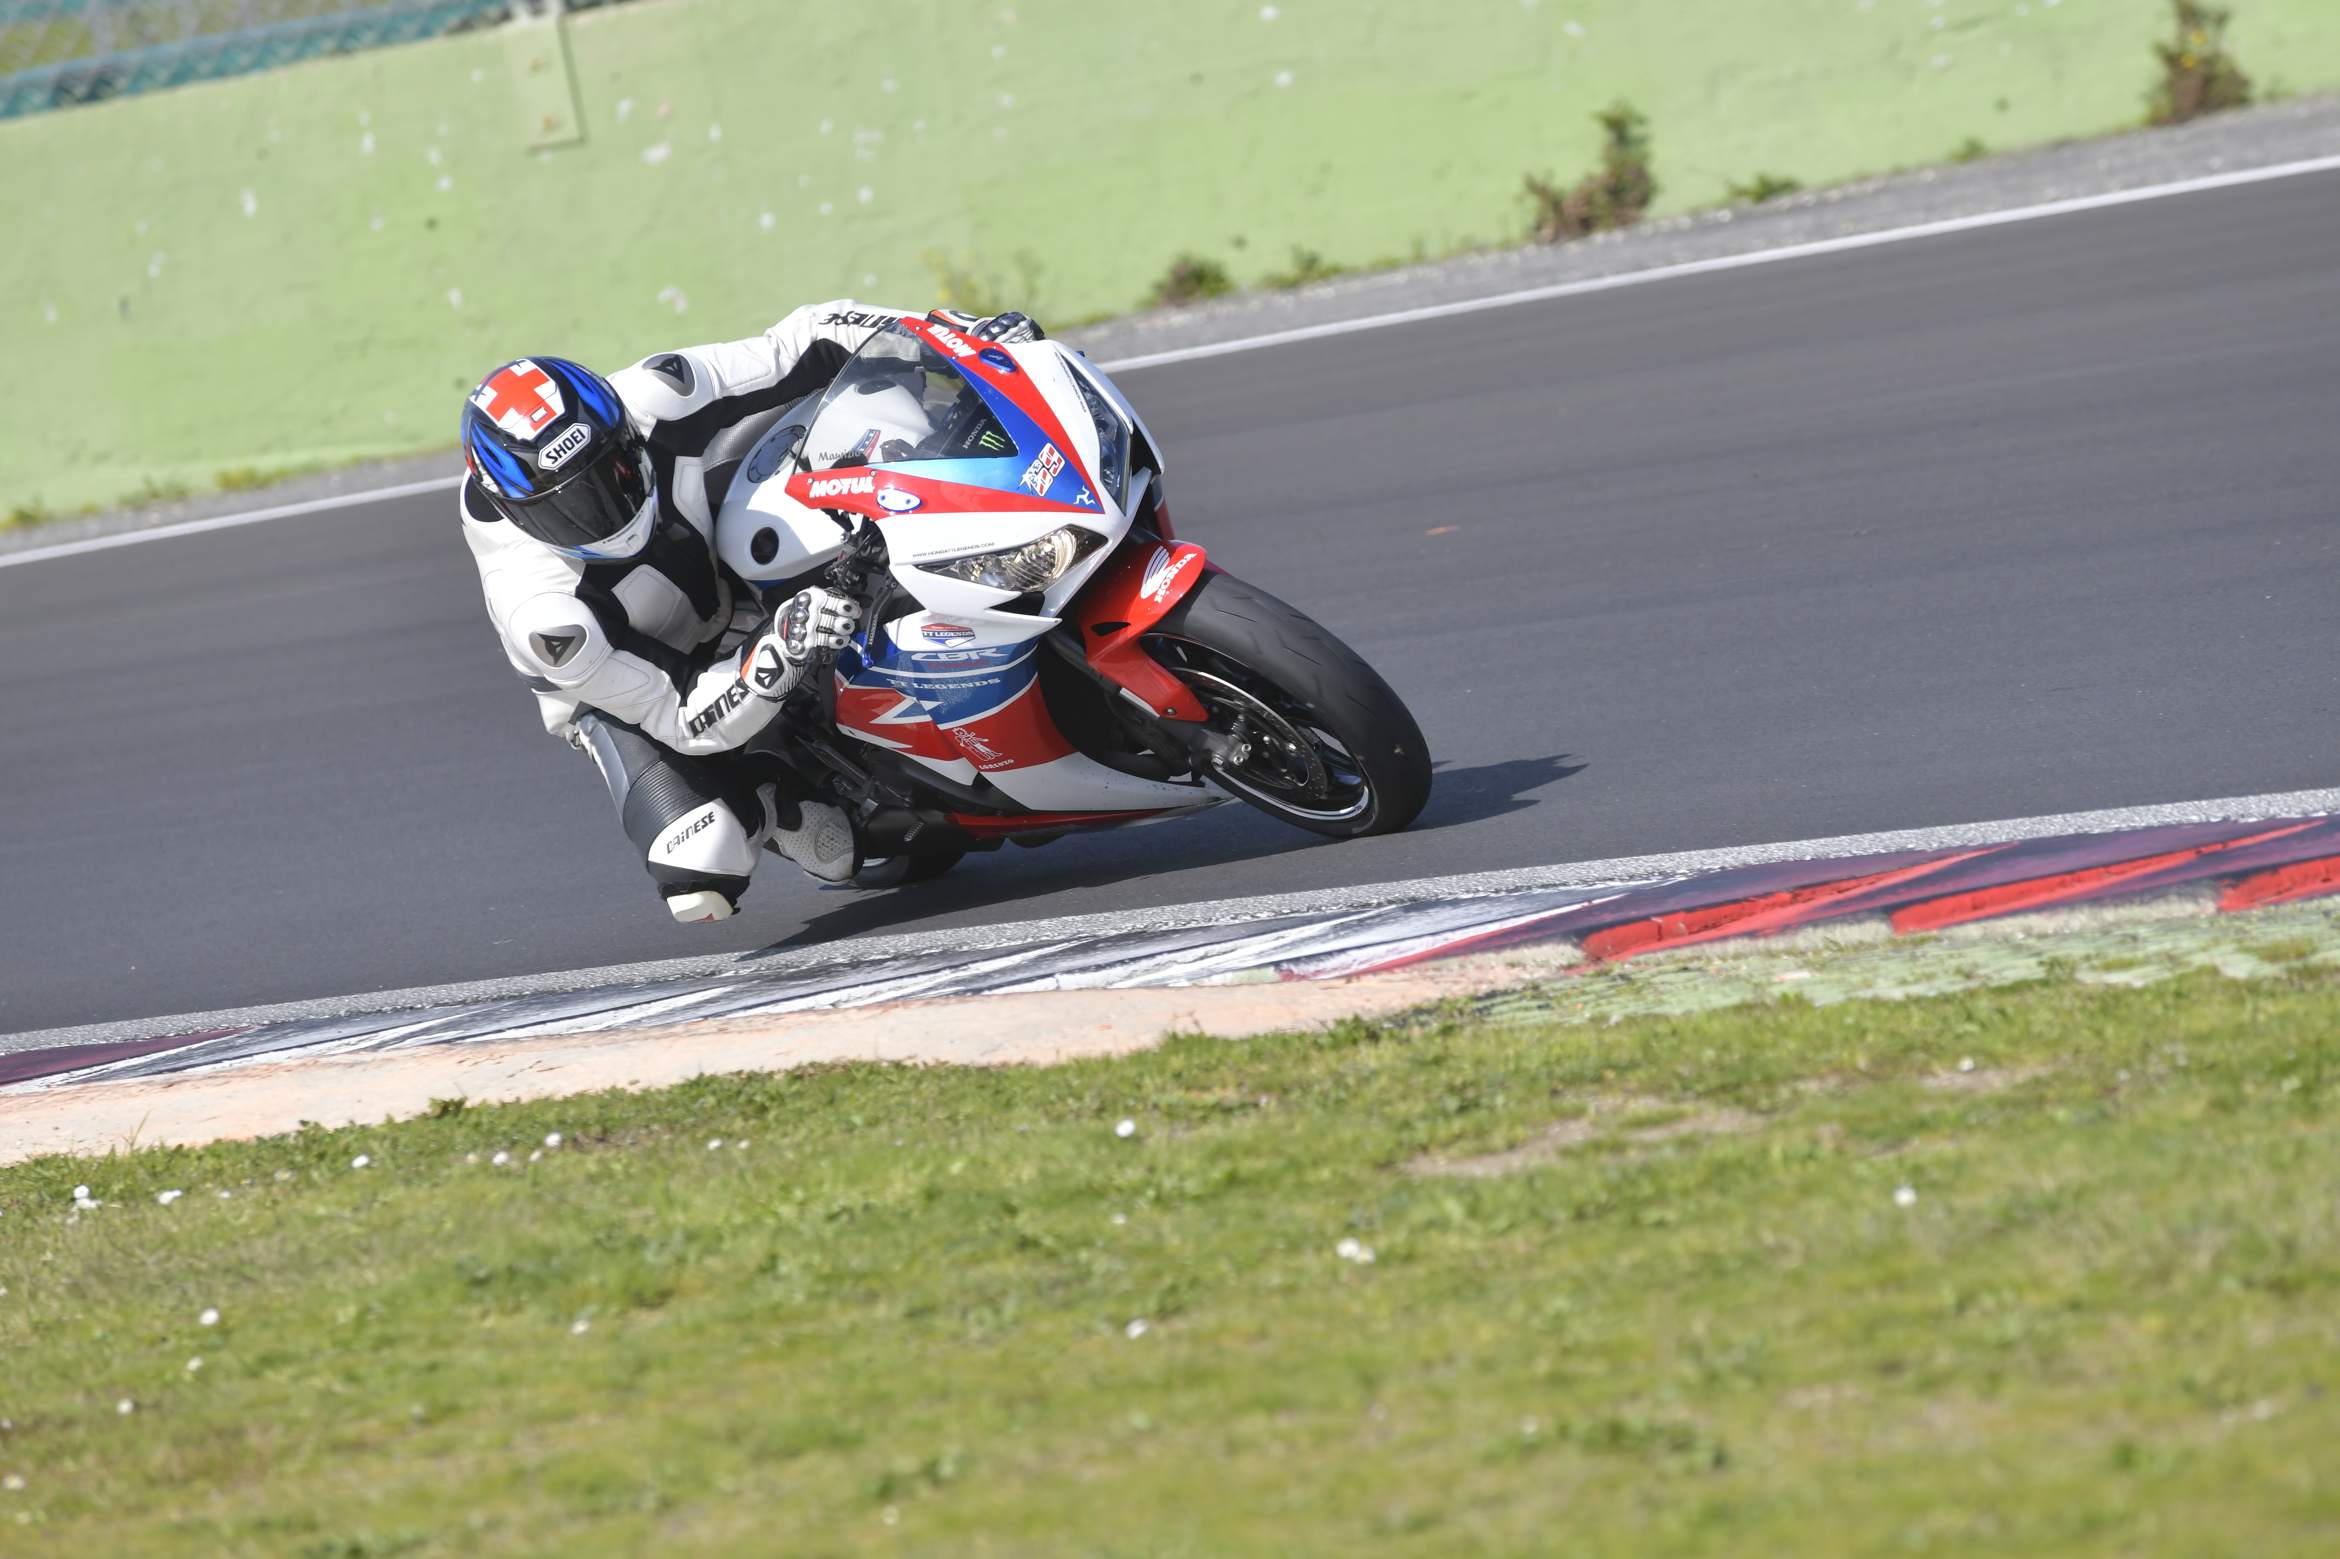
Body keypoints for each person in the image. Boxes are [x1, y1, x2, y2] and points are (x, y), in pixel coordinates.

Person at [457, 300, 1042, 924]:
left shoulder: (657, 394)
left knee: (841, 422)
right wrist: (779, 649)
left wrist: (959, 336)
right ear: (518, 515)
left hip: (716, 569)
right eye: (569, 507)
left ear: (626, 431)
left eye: (613, 472)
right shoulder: (544, 614)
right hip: (641, 683)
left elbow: (805, 339)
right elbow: (680, 715)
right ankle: (769, 793)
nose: (606, 508)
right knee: (702, 863)